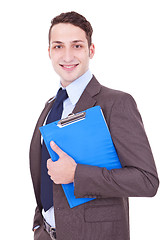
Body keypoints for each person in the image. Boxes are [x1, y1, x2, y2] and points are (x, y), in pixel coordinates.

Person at [30, 11, 159, 240]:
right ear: (49, 52)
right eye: (58, 46)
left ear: (91, 50)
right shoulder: (50, 106)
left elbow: (147, 181)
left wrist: (77, 174)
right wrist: (39, 225)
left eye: (77, 46)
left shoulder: (117, 103)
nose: (67, 56)